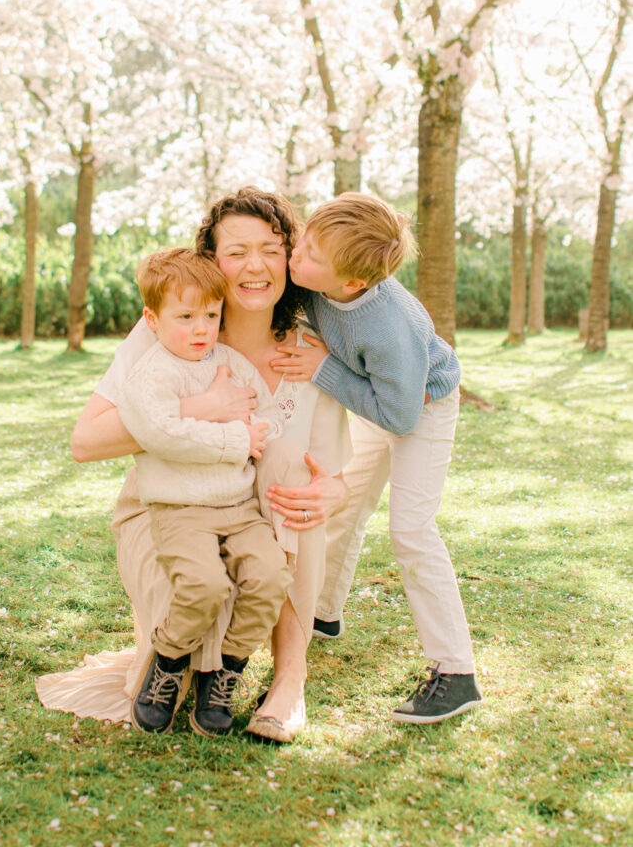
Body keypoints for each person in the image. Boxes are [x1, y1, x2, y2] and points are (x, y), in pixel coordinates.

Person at [36, 188, 351, 743]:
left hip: (254, 517)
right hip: (167, 507)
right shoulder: (172, 324)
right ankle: (178, 663)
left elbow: (332, 472)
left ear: (290, 259)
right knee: (173, 676)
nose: (255, 266)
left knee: (290, 471)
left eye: (270, 250)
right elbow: (84, 442)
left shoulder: (310, 348)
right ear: (212, 260)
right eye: (236, 252)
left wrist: (335, 493)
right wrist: (199, 407)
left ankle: (290, 677)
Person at [270, 191, 483, 724]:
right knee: (347, 500)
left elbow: (400, 416)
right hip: (379, 396)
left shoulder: (388, 326)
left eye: (311, 255)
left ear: (352, 284)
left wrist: (325, 368)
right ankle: (323, 612)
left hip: (420, 406)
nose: (297, 255)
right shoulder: (315, 274)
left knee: (411, 529)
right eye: (305, 240)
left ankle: (457, 672)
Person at [116, 247, 292, 737]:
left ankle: (225, 672)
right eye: (186, 317)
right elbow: (162, 434)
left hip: (239, 507)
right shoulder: (151, 375)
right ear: (152, 319)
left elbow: (268, 415)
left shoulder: (231, 363)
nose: (201, 329)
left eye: (211, 316)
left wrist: (256, 428)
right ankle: (168, 661)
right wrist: (236, 437)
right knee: (205, 586)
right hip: (181, 510)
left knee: (270, 577)